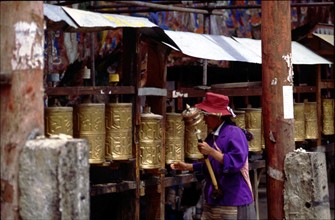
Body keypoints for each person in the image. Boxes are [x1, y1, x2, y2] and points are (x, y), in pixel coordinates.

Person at [171, 92, 256, 220]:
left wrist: (211, 151)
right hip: (213, 200)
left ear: (217, 115)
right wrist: (187, 167)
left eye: (206, 115)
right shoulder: (211, 137)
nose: (204, 119)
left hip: (232, 199)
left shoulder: (234, 133)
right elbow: (211, 167)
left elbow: (236, 162)